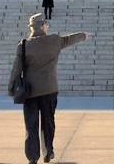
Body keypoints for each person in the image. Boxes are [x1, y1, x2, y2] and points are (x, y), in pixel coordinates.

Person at [8, 13, 91, 164]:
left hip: (30, 92)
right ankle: (48, 151)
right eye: (46, 24)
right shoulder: (53, 40)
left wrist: (11, 87)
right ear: (42, 25)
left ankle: (32, 157)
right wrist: (83, 35)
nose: (48, 27)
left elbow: (16, 69)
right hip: (49, 90)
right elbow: (69, 39)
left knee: (31, 125)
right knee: (48, 122)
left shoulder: (24, 45)